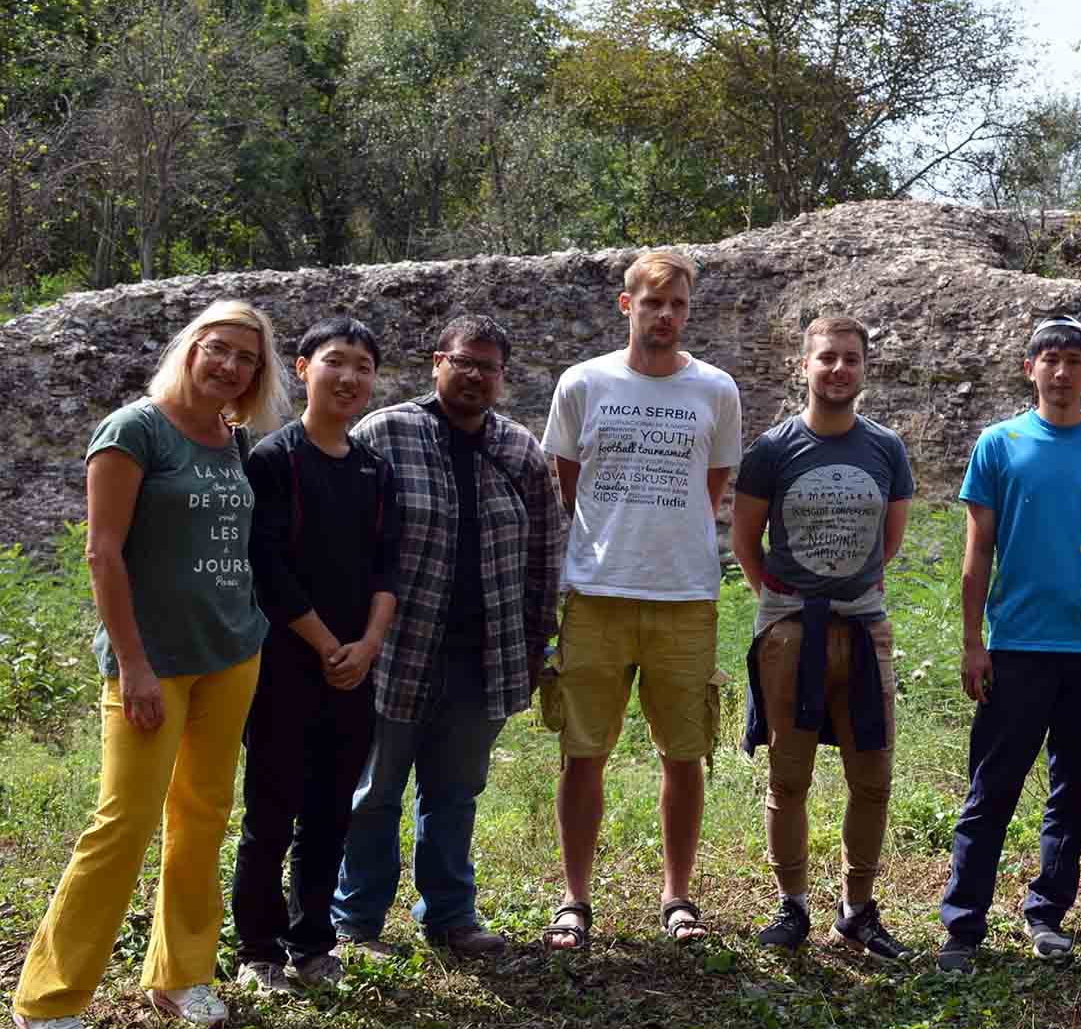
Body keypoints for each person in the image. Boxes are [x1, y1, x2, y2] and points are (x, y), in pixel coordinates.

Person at [12, 301, 289, 1029]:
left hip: (231, 654)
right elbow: (102, 553)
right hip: (152, 664)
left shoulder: (233, 440)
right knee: (124, 820)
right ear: (189, 348)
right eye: (218, 348)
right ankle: (49, 994)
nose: (230, 366)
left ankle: (180, 974)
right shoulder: (133, 429)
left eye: (246, 359)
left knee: (203, 815)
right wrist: (133, 665)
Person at [331, 314, 562, 958]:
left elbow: (545, 554)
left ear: (502, 377)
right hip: (394, 651)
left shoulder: (519, 450)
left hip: (483, 654)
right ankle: (355, 922)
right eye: (464, 362)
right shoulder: (385, 433)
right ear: (438, 362)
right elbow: (346, 541)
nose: (475, 376)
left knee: (455, 792)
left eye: (489, 367)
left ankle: (451, 917)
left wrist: (538, 642)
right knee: (373, 792)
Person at [936, 315, 1081, 974]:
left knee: (1076, 792)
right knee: (992, 788)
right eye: (1050, 359)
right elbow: (978, 551)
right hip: (1018, 647)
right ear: (1029, 369)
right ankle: (963, 924)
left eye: (1074, 361)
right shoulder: (998, 444)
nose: (1061, 372)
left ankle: (1047, 913)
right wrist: (973, 642)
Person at [541, 251, 741, 950]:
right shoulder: (583, 383)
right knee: (582, 752)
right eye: (652, 302)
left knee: (683, 755)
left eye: (677, 304)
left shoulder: (715, 389)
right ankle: (574, 898)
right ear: (626, 305)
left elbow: (710, 491)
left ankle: (677, 896)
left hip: (683, 596)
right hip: (596, 593)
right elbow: (569, 488)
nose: (665, 316)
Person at [732, 315, 915, 958]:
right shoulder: (773, 449)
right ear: (804, 365)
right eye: (827, 357)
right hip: (790, 630)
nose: (839, 369)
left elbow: (888, 543)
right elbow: (746, 542)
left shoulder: (886, 448)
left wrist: (847, 591)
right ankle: (792, 906)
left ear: (865, 369)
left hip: (864, 629)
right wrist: (783, 605)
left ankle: (857, 909)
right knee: (789, 777)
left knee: (873, 778)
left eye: (851, 359)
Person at [232, 317, 398, 993]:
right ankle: (258, 950)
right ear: (302, 368)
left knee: (331, 813)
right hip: (285, 667)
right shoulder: (273, 460)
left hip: (355, 669)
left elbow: (388, 568)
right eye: (336, 361)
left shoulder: (374, 468)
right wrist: (331, 645)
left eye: (363, 366)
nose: (349, 377)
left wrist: (368, 646)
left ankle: (312, 944)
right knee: (270, 814)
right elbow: (267, 568)